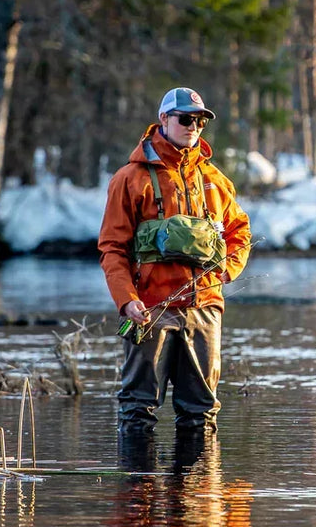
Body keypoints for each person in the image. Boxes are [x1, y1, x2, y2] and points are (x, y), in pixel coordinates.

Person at [98, 86, 252, 436]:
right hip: (150, 307)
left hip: (205, 306)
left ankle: (199, 491)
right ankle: (140, 489)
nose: (193, 126)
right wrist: (126, 300)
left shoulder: (215, 180)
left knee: (202, 414)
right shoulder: (129, 180)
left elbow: (239, 231)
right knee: (138, 409)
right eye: (185, 119)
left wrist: (228, 268)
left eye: (199, 121)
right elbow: (112, 249)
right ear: (164, 119)